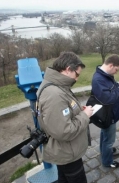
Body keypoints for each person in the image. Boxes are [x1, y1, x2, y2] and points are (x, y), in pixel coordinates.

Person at [37, 52, 93, 183]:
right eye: (77, 74)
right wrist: (84, 116)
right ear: (68, 69)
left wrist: (79, 110)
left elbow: (64, 111)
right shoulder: (54, 94)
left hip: (65, 151)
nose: (77, 79)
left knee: (63, 179)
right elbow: (64, 131)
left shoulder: (56, 85)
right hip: (67, 153)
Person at [91, 54, 119, 168]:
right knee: (109, 140)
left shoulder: (105, 75)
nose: (116, 72)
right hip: (108, 114)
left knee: (105, 135)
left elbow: (113, 86)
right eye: (116, 69)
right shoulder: (98, 79)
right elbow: (107, 98)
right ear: (111, 65)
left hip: (110, 113)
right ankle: (107, 161)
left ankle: (104, 152)